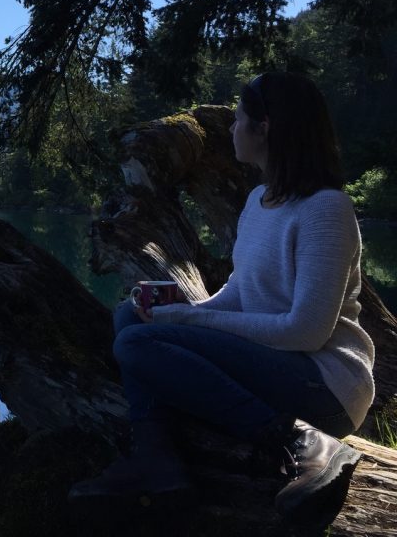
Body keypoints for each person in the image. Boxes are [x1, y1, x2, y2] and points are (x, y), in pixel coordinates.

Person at [68, 72, 376, 523]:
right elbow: (240, 291)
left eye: (238, 119)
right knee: (130, 321)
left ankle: (299, 440)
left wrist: (190, 323)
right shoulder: (259, 201)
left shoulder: (325, 210)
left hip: (325, 385)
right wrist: (184, 312)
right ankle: (158, 462)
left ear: (265, 127)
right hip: (273, 361)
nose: (232, 128)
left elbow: (306, 332)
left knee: (136, 345)